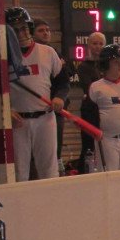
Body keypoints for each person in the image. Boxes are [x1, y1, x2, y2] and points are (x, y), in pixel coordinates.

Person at [6, 7, 67, 180]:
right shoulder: (4, 57)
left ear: (30, 28)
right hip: (18, 123)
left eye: (24, 28)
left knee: (49, 169)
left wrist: (59, 98)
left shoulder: (48, 52)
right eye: (15, 30)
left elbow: (63, 82)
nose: (21, 33)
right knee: (19, 172)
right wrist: (6, 111)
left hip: (45, 119)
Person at [32, 18, 68, 168]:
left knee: (53, 151)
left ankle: (57, 169)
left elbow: (65, 77)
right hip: (29, 110)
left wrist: (59, 97)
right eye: (41, 30)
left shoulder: (53, 53)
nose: (46, 33)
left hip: (53, 110)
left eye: (47, 30)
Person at [75, 32, 106, 172]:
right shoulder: (84, 67)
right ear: (88, 45)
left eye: (101, 44)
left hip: (106, 109)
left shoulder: (107, 66)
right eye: (94, 43)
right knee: (88, 145)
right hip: (90, 110)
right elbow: (90, 88)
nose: (98, 47)